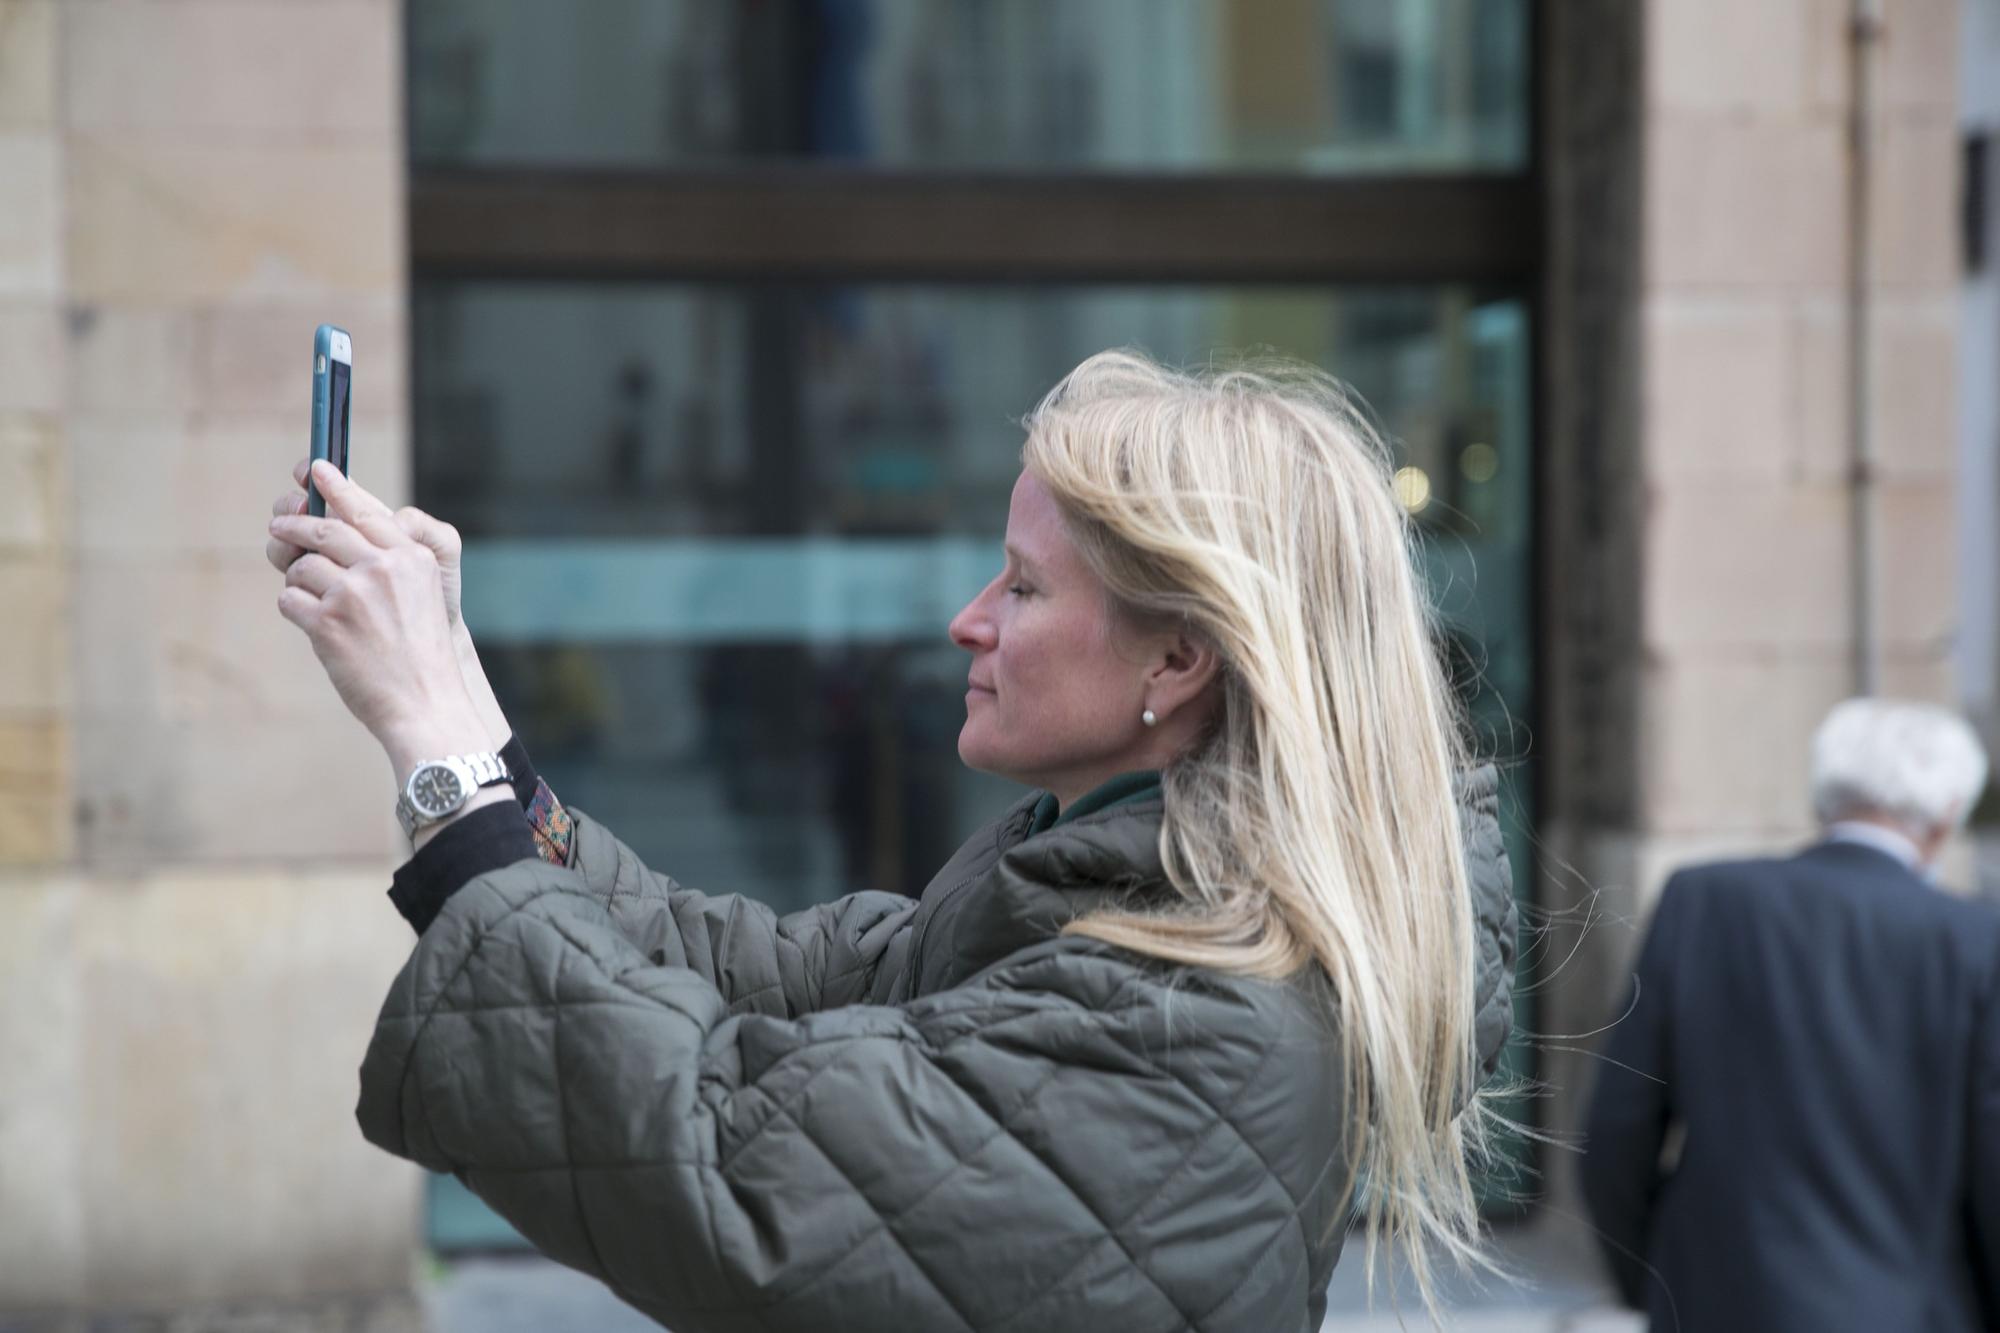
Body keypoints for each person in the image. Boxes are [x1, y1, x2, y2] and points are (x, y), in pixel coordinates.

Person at [264, 349, 1519, 1331]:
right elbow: (732, 977)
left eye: (1023, 587)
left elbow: (731, 1166)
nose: (969, 620)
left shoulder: (1197, 1022)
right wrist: (458, 705)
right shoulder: (1102, 905)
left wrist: (433, 734)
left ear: (1179, 657)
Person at [1580, 697, 2000, 1332]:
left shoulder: (1704, 902)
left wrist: (1656, 1282)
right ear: (1945, 816)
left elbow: (1615, 1132)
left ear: (1824, 796)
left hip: (1715, 1304)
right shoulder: (1974, 940)